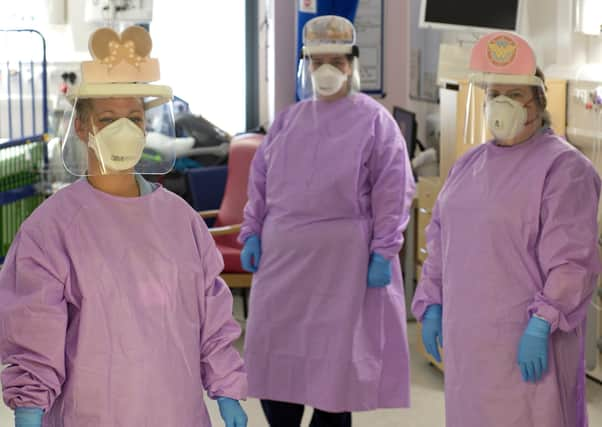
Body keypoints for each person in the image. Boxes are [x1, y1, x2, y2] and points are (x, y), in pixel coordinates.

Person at [0, 26, 247, 427]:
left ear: (146, 128)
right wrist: (30, 405)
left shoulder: (180, 219)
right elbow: (33, 327)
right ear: (82, 127)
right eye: (108, 118)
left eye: (134, 118)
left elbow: (212, 317)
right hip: (93, 413)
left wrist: (226, 388)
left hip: (176, 411)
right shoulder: (53, 228)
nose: (124, 130)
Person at [412, 31, 601, 427]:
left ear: (538, 102)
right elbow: (442, 238)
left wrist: (542, 321)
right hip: (470, 349)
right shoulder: (469, 165)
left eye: (513, 95)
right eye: (493, 93)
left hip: (529, 349)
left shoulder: (565, 170)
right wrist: (431, 301)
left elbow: (573, 264)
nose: (501, 104)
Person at [239, 15, 415, 427]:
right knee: (274, 363)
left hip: (343, 269)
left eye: (337, 60)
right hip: (283, 264)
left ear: (352, 65)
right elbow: (260, 182)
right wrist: (251, 231)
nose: (327, 70)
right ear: (306, 66)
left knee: (335, 372)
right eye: (318, 61)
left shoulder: (375, 122)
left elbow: (394, 190)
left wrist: (383, 251)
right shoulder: (287, 121)